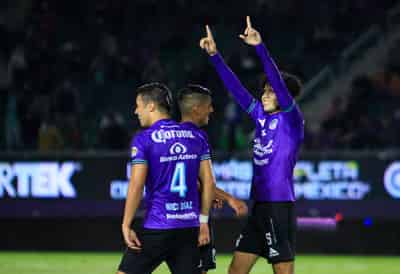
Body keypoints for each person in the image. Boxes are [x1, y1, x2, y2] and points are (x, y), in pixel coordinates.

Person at [200, 17, 304, 274]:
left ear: (284, 97)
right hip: (258, 206)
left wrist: (259, 48)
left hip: (279, 206)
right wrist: (215, 56)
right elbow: (236, 90)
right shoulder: (261, 116)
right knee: (235, 271)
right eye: (264, 90)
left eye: (271, 91)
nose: (265, 94)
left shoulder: (291, 119)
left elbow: (278, 82)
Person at [117, 82, 215, 274]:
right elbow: (209, 182)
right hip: (189, 229)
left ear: (151, 106)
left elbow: (136, 185)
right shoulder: (197, 136)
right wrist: (203, 222)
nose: (136, 111)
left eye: (138, 105)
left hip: (157, 226)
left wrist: (126, 224)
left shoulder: (144, 139)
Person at [177, 84, 249, 273]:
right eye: (208, 105)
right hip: (193, 218)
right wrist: (230, 199)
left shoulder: (172, 137)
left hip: (169, 219)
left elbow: (195, 182)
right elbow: (203, 182)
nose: (212, 109)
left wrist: (207, 193)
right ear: (196, 109)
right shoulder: (197, 137)